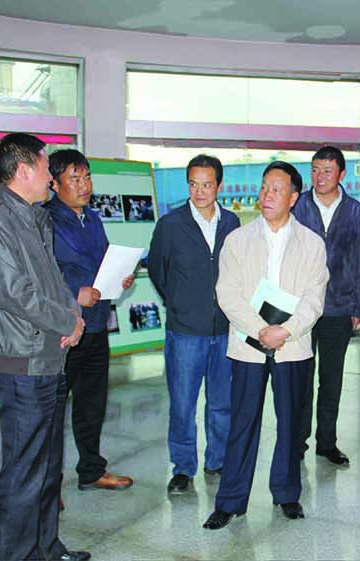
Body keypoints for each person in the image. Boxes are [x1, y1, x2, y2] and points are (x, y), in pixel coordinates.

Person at [0, 133, 89, 561]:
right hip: (21, 363)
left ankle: (46, 548)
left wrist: (72, 315)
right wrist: (66, 322)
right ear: (22, 171)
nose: (50, 180)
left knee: (47, 467)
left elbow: (53, 281)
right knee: (24, 473)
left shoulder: (35, 218)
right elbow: (15, 294)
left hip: (49, 358)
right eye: (44, 169)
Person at [203, 161, 328, 530]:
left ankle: (287, 493)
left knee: (290, 422)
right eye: (264, 188)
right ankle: (230, 501)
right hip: (248, 345)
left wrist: (285, 331)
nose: (267, 195)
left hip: (293, 345)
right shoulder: (238, 240)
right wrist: (260, 329)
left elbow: (314, 299)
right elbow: (227, 294)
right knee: (242, 422)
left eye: (277, 189)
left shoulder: (312, 244)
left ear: (293, 197)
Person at [44, 149, 135, 494]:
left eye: (87, 177)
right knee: (52, 409)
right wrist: (72, 292)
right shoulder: (44, 220)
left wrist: (119, 277)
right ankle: (48, 486)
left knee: (92, 403)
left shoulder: (93, 218)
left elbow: (102, 263)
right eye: (74, 179)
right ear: (54, 184)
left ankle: (91, 470)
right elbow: (40, 275)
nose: (84, 186)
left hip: (96, 325)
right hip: (63, 330)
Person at [148, 154, 240, 493]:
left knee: (222, 403)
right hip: (185, 331)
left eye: (206, 184)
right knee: (183, 403)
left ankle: (218, 460)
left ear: (219, 186)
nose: (199, 191)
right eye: (193, 184)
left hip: (225, 329)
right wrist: (180, 302)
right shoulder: (171, 224)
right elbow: (158, 270)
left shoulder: (231, 222)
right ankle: (183, 468)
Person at [293, 145, 360, 466]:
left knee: (332, 378)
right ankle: (297, 442)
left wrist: (359, 305)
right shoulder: (298, 206)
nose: (320, 177)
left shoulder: (355, 211)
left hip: (339, 307)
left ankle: (327, 442)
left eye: (327, 171)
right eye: (315, 170)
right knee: (301, 376)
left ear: (341, 174)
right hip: (301, 307)